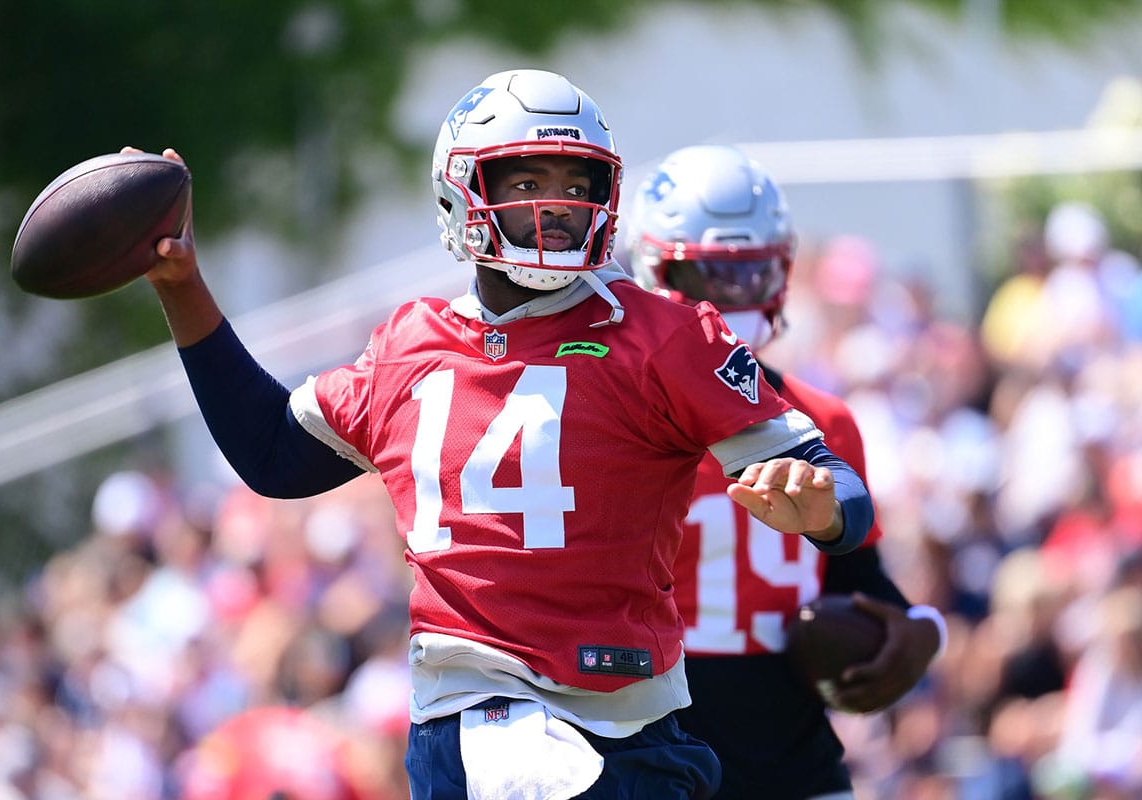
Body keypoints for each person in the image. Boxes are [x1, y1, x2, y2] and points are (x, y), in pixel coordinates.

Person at [130, 69, 874, 799]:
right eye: (525, 183)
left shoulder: (664, 336)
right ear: (463, 190)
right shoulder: (409, 345)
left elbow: (835, 484)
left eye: (575, 185)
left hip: (634, 719)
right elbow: (272, 454)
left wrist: (825, 508)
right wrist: (182, 286)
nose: (554, 206)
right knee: (520, 766)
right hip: (477, 722)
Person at [624, 143, 946, 800]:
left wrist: (919, 631)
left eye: (750, 274)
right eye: (707, 275)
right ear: (657, 273)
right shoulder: (621, 423)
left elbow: (858, 578)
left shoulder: (821, 420)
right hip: (657, 744)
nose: (729, 297)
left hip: (791, 749)